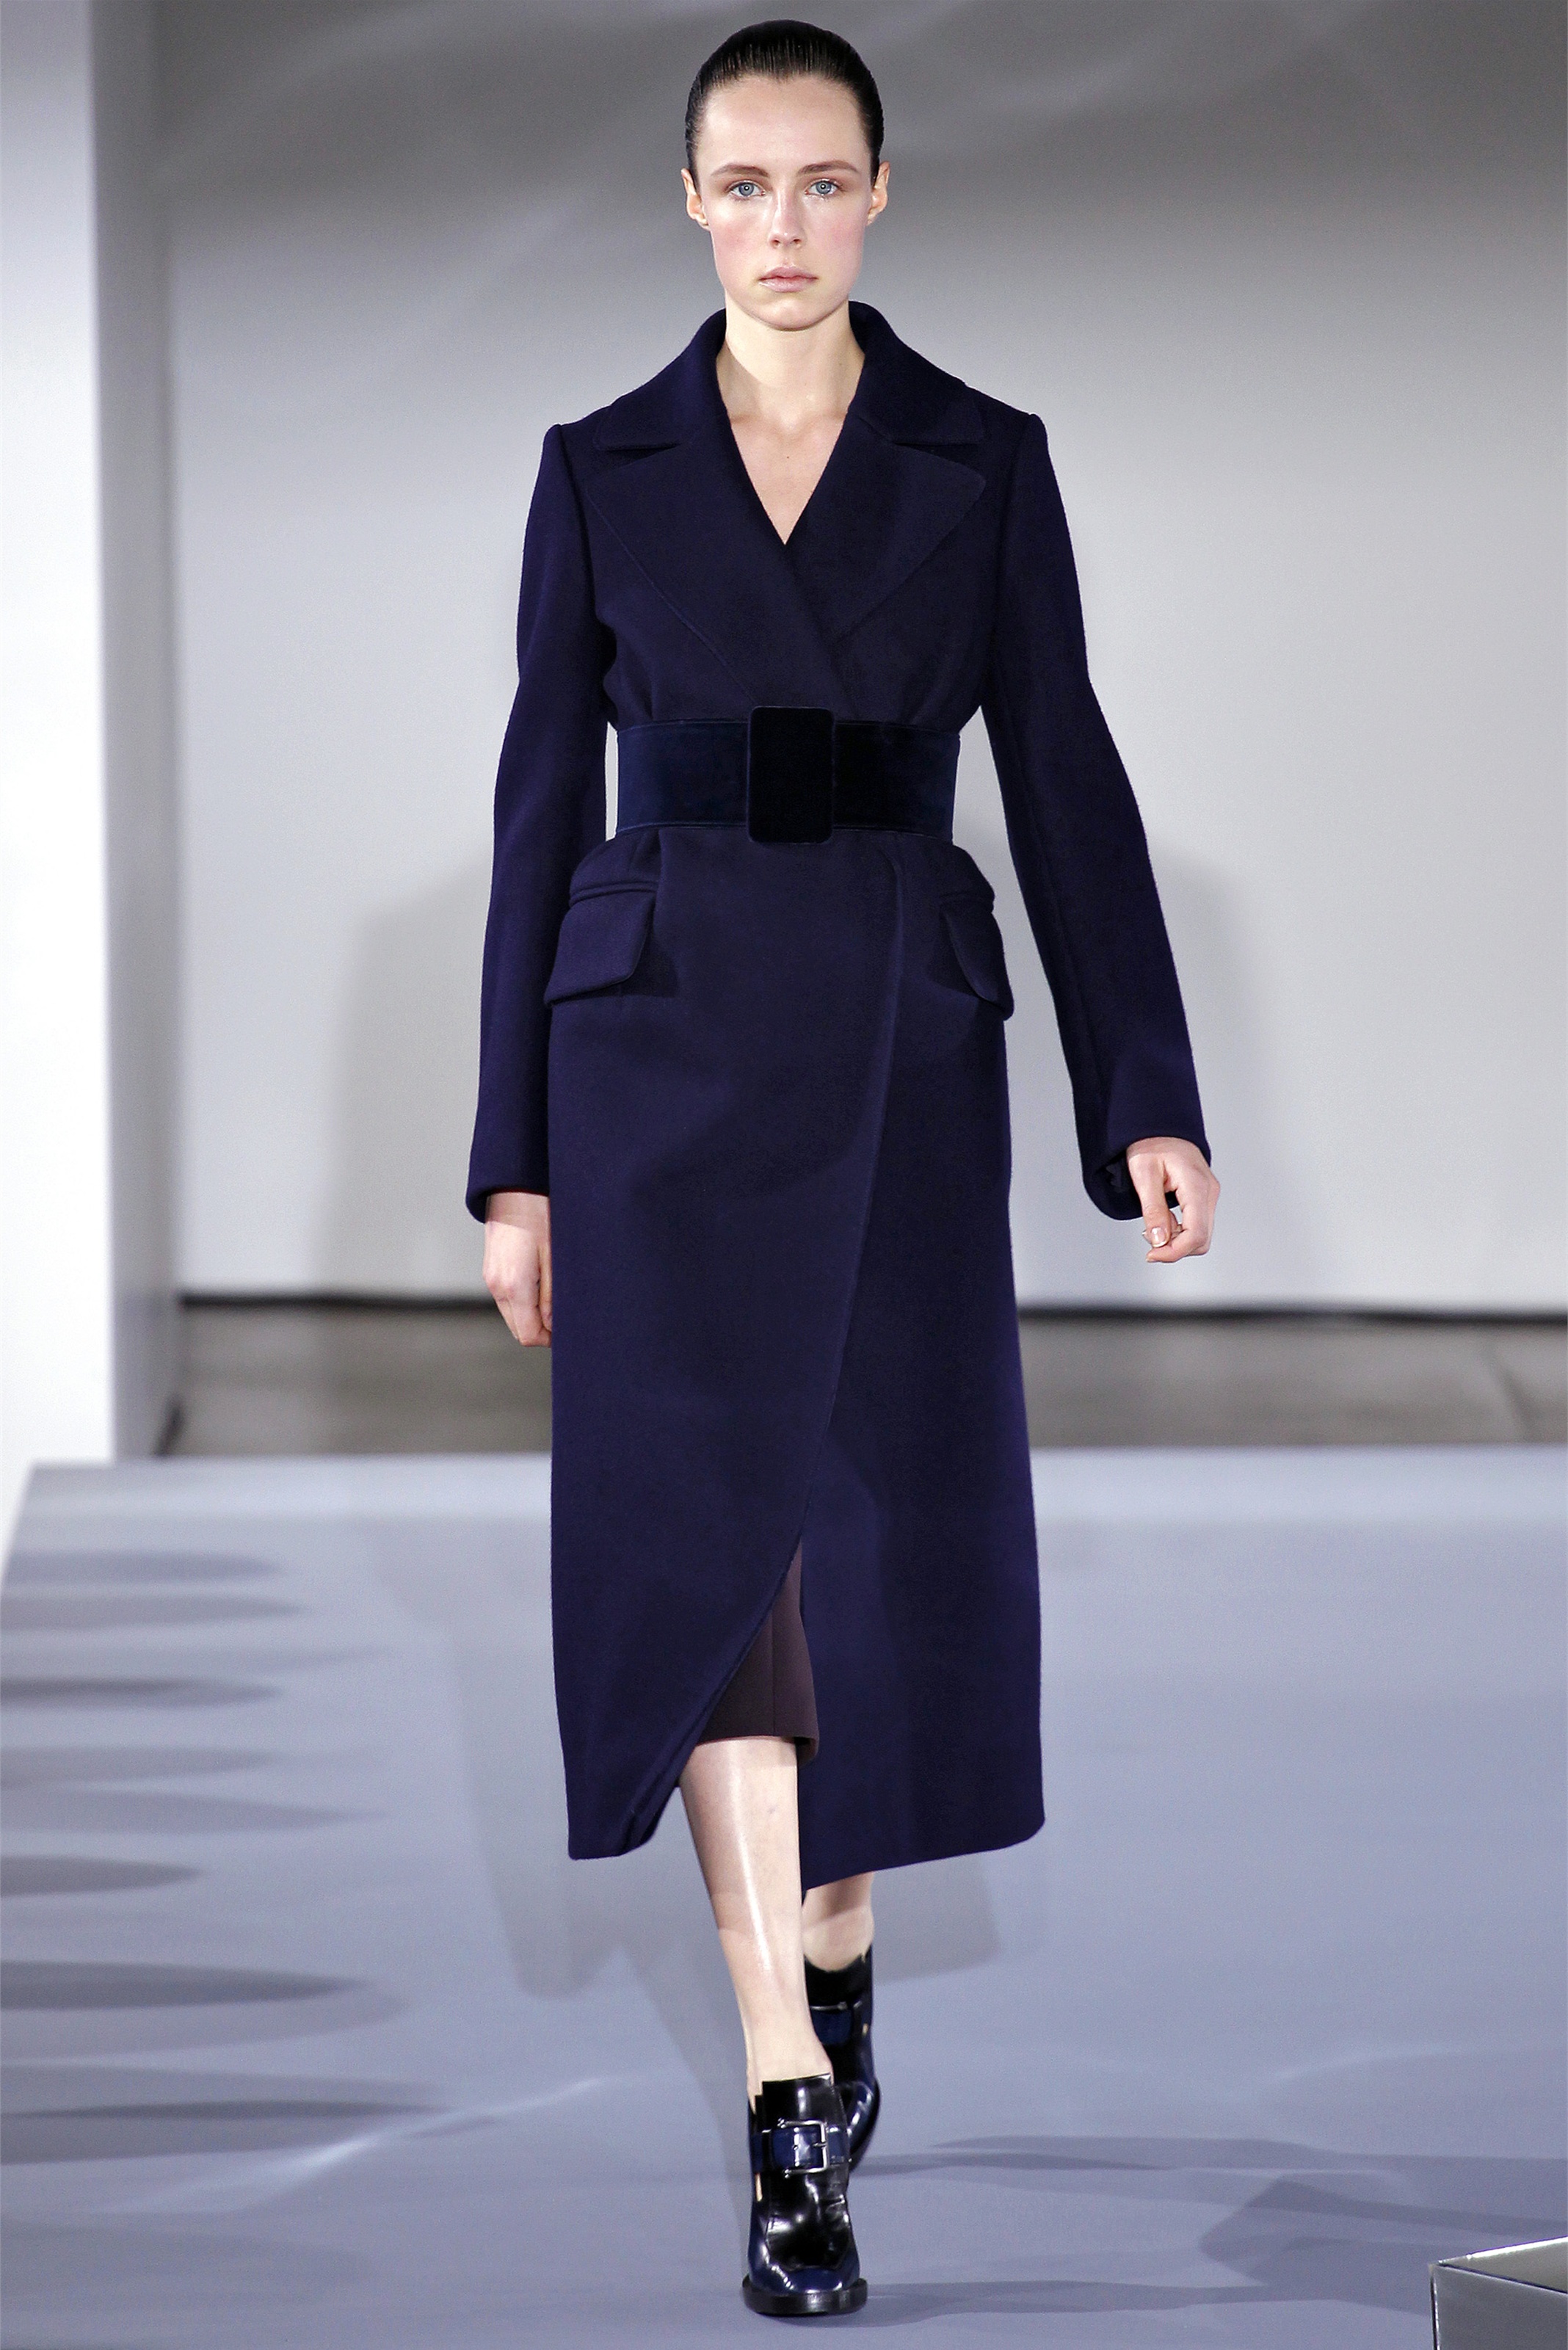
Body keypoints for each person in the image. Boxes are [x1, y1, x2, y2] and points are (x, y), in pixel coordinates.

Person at [468, 18, 1218, 2320]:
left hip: (897, 1039)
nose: (779, 225)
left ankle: (836, 1938)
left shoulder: (981, 461)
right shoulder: (603, 466)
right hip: (660, 1057)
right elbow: (537, 803)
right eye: (741, 183)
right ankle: (786, 2081)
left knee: (872, 1545)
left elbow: (1064, 769)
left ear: (881, 191)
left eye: (819, 181)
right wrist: (514, 1160)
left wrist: (1145, 1085)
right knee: (722, 1553)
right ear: (687, 198)